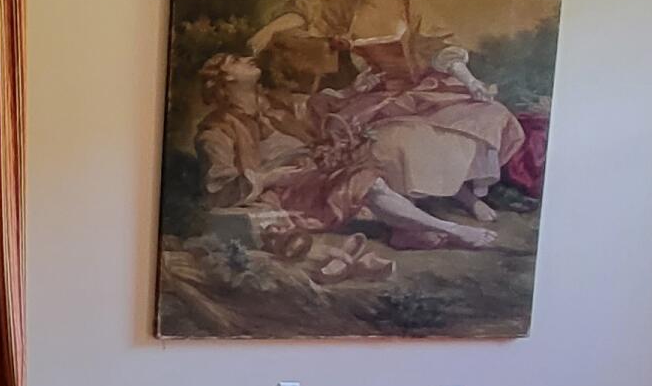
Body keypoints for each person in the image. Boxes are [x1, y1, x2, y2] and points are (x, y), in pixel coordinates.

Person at [245, 0, 525, 234]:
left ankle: (466, 198)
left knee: (486, 116)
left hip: (423, 89)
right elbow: (306, 13)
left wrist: (471, 82)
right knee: (399, 142)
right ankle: (442, 204)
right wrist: (268, 31)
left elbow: (440, 48)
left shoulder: (410, 5)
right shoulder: (346, 10)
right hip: (376, 98)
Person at [192, 50, 488, 256]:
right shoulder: (216, 129)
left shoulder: (271, 102)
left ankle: (405, 230)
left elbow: (313, 106)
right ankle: (453, 230)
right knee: (366, 182)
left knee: (375, 160)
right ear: (226, 80)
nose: (246, 58)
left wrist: (351, 91)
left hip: (313, 170)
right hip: (287, 190)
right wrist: (270, 177)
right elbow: (218, 187)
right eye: (235, 61)